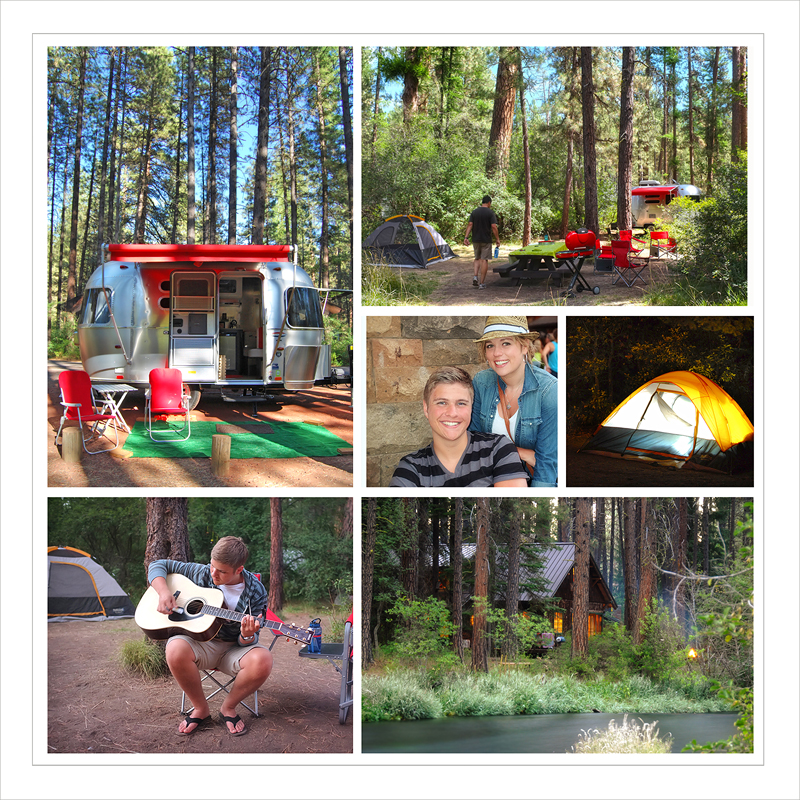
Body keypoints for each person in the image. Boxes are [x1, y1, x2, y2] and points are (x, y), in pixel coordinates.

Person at [147, 536, 273, 737]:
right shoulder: (201, 572)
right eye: (212, 566)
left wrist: (247, 635)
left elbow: (249, 640)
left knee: (263, 659)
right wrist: (163, 592)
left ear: (239, 569)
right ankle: (200, 709)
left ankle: (228, 708)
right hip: (200, 644)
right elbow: (157, 565)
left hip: (234, 648)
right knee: (174, 648)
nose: (213, 573)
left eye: (221, 571)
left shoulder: (255, 591)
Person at [390, 366, 528, 487]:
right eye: (442, 403)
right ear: (426, 409)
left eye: (461, 403)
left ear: (471, 407)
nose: (452, 413)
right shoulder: (411, 468)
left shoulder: (498, 449)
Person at [470, 316, 558, 487]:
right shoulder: (481, 383)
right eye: (490, 345)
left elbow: (546, 465)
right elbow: (473, 442)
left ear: (524, 346)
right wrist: (519, 452)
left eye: (506, 343)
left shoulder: (549, 391)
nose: (496, 353)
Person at [463, 194, 500, 290]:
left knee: (477, 258)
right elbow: (494, 227)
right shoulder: (490, 212)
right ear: (489, 203)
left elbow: (470, 224)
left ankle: (475, 276)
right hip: (486, 240)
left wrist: (466, 237)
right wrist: (497, 239)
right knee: (484, 260)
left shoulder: (474, 212)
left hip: (475, 239)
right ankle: (482, 283)